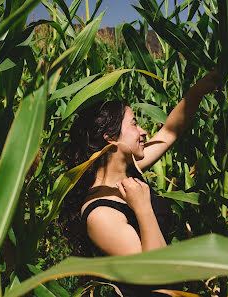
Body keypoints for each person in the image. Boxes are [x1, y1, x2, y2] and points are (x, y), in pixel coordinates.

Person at [66, 71, 219, 295]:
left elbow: (169, 132)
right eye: (134, 124)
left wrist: (197, 91)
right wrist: (142, 207)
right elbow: (156, 272)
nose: (144, 131)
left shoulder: (131, 169)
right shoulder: (101, 214)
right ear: (110, 137)